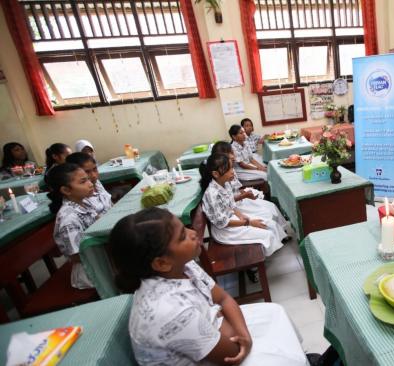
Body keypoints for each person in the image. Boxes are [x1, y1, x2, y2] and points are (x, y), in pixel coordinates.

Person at [108, 207, 311, 366]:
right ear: (161, 263)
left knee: (274, 312)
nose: (193, 233)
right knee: (278, 358)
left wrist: (244, 335)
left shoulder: (183, 266)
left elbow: (223, 298)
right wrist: (233, 329)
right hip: (217, 352)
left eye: (185, 227)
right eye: (182, 237)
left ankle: (299, 356)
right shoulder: (168, 312)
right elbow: (232, 354)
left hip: (214, 330)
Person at [200, 153, 284, 258]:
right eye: (228, 169)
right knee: (266, 233)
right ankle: (257, 261)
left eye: (231, 167)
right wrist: (248, 222)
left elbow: (231, 205)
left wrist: (242, 216)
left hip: (233, 219)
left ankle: (267, 251)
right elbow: (223, 223)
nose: (232, 171)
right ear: (216, 174)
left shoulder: (224, 183)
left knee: (268, 223)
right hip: (225, 231)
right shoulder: (212, 194)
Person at [212, 141, 290, 237]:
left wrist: (245, 193)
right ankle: (278, 234)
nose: (233, 156)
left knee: (271, 207)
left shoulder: (227, 172)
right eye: (230, 153)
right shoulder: (218, 184)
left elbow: (232, 194)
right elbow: (227, 209)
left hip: (235, 207)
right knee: (266, 216)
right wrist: (247, 220)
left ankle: (281, 232)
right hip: (232, 214)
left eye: (232, 152)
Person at [47, 163, 97, 289]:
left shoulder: (84, 202)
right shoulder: (68, 219)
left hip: (99, 256)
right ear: (66, 190)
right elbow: (76, 256)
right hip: (90, 271)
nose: (90, 184)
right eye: (83, 181)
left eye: (88, 180)